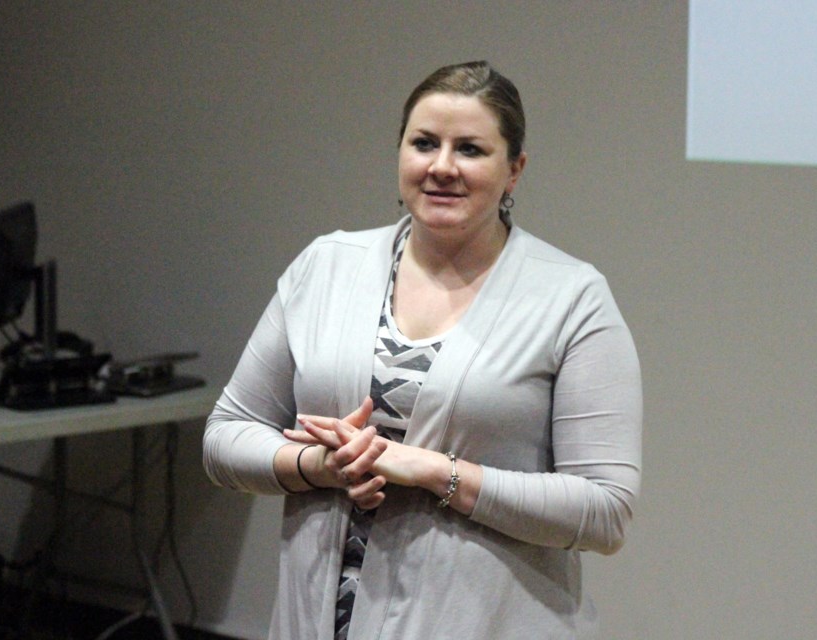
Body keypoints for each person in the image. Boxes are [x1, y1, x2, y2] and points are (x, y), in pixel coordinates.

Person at [204, 60, 642, 640]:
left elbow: (605, 511)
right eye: (424, 143)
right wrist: (320, 467)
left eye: (470, 150)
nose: (441, 167)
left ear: (515, 170)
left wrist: (438, 472)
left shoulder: (571, 297)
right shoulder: (326, 265)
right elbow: (226, 436)